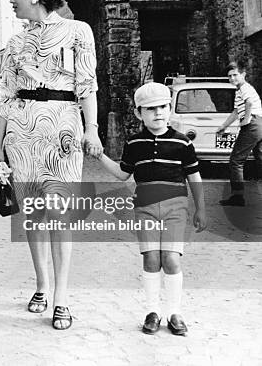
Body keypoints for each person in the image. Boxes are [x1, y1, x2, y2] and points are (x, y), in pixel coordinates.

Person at [0, 0, 103, 330]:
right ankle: (41, 284)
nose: (11, 0)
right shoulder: (15, 43)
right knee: (34, 216)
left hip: (62, 131)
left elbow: (87, 85)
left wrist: (93, 129)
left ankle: (62, 299)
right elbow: (5, 97)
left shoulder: (77, 32)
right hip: (22, 136)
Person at [96, 81, 207, 335]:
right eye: (151, 108)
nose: (158, 112)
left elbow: (194, 178)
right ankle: (153, 311)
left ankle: (174, 313)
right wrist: (99, 156)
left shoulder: (182, 143)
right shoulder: (134, 143)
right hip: (145, 208)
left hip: (175, 208)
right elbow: (123, 174)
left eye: (163, 107)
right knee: (151, 258)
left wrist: (201, 209)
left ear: (169, 109)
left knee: (170, 259)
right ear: (139, 113)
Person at [217, 60, 262, 206]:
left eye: (235, 75)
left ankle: (237, 197)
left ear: (243, 74)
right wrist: (224, 125)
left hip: (253, 124)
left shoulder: (244, 88)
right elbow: (236, 111)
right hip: (258, 124)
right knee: (260, 158)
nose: (232, 79)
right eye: (230, 76)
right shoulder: (239, 90)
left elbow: (248, 103)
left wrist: (246, 119)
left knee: (236, 160)